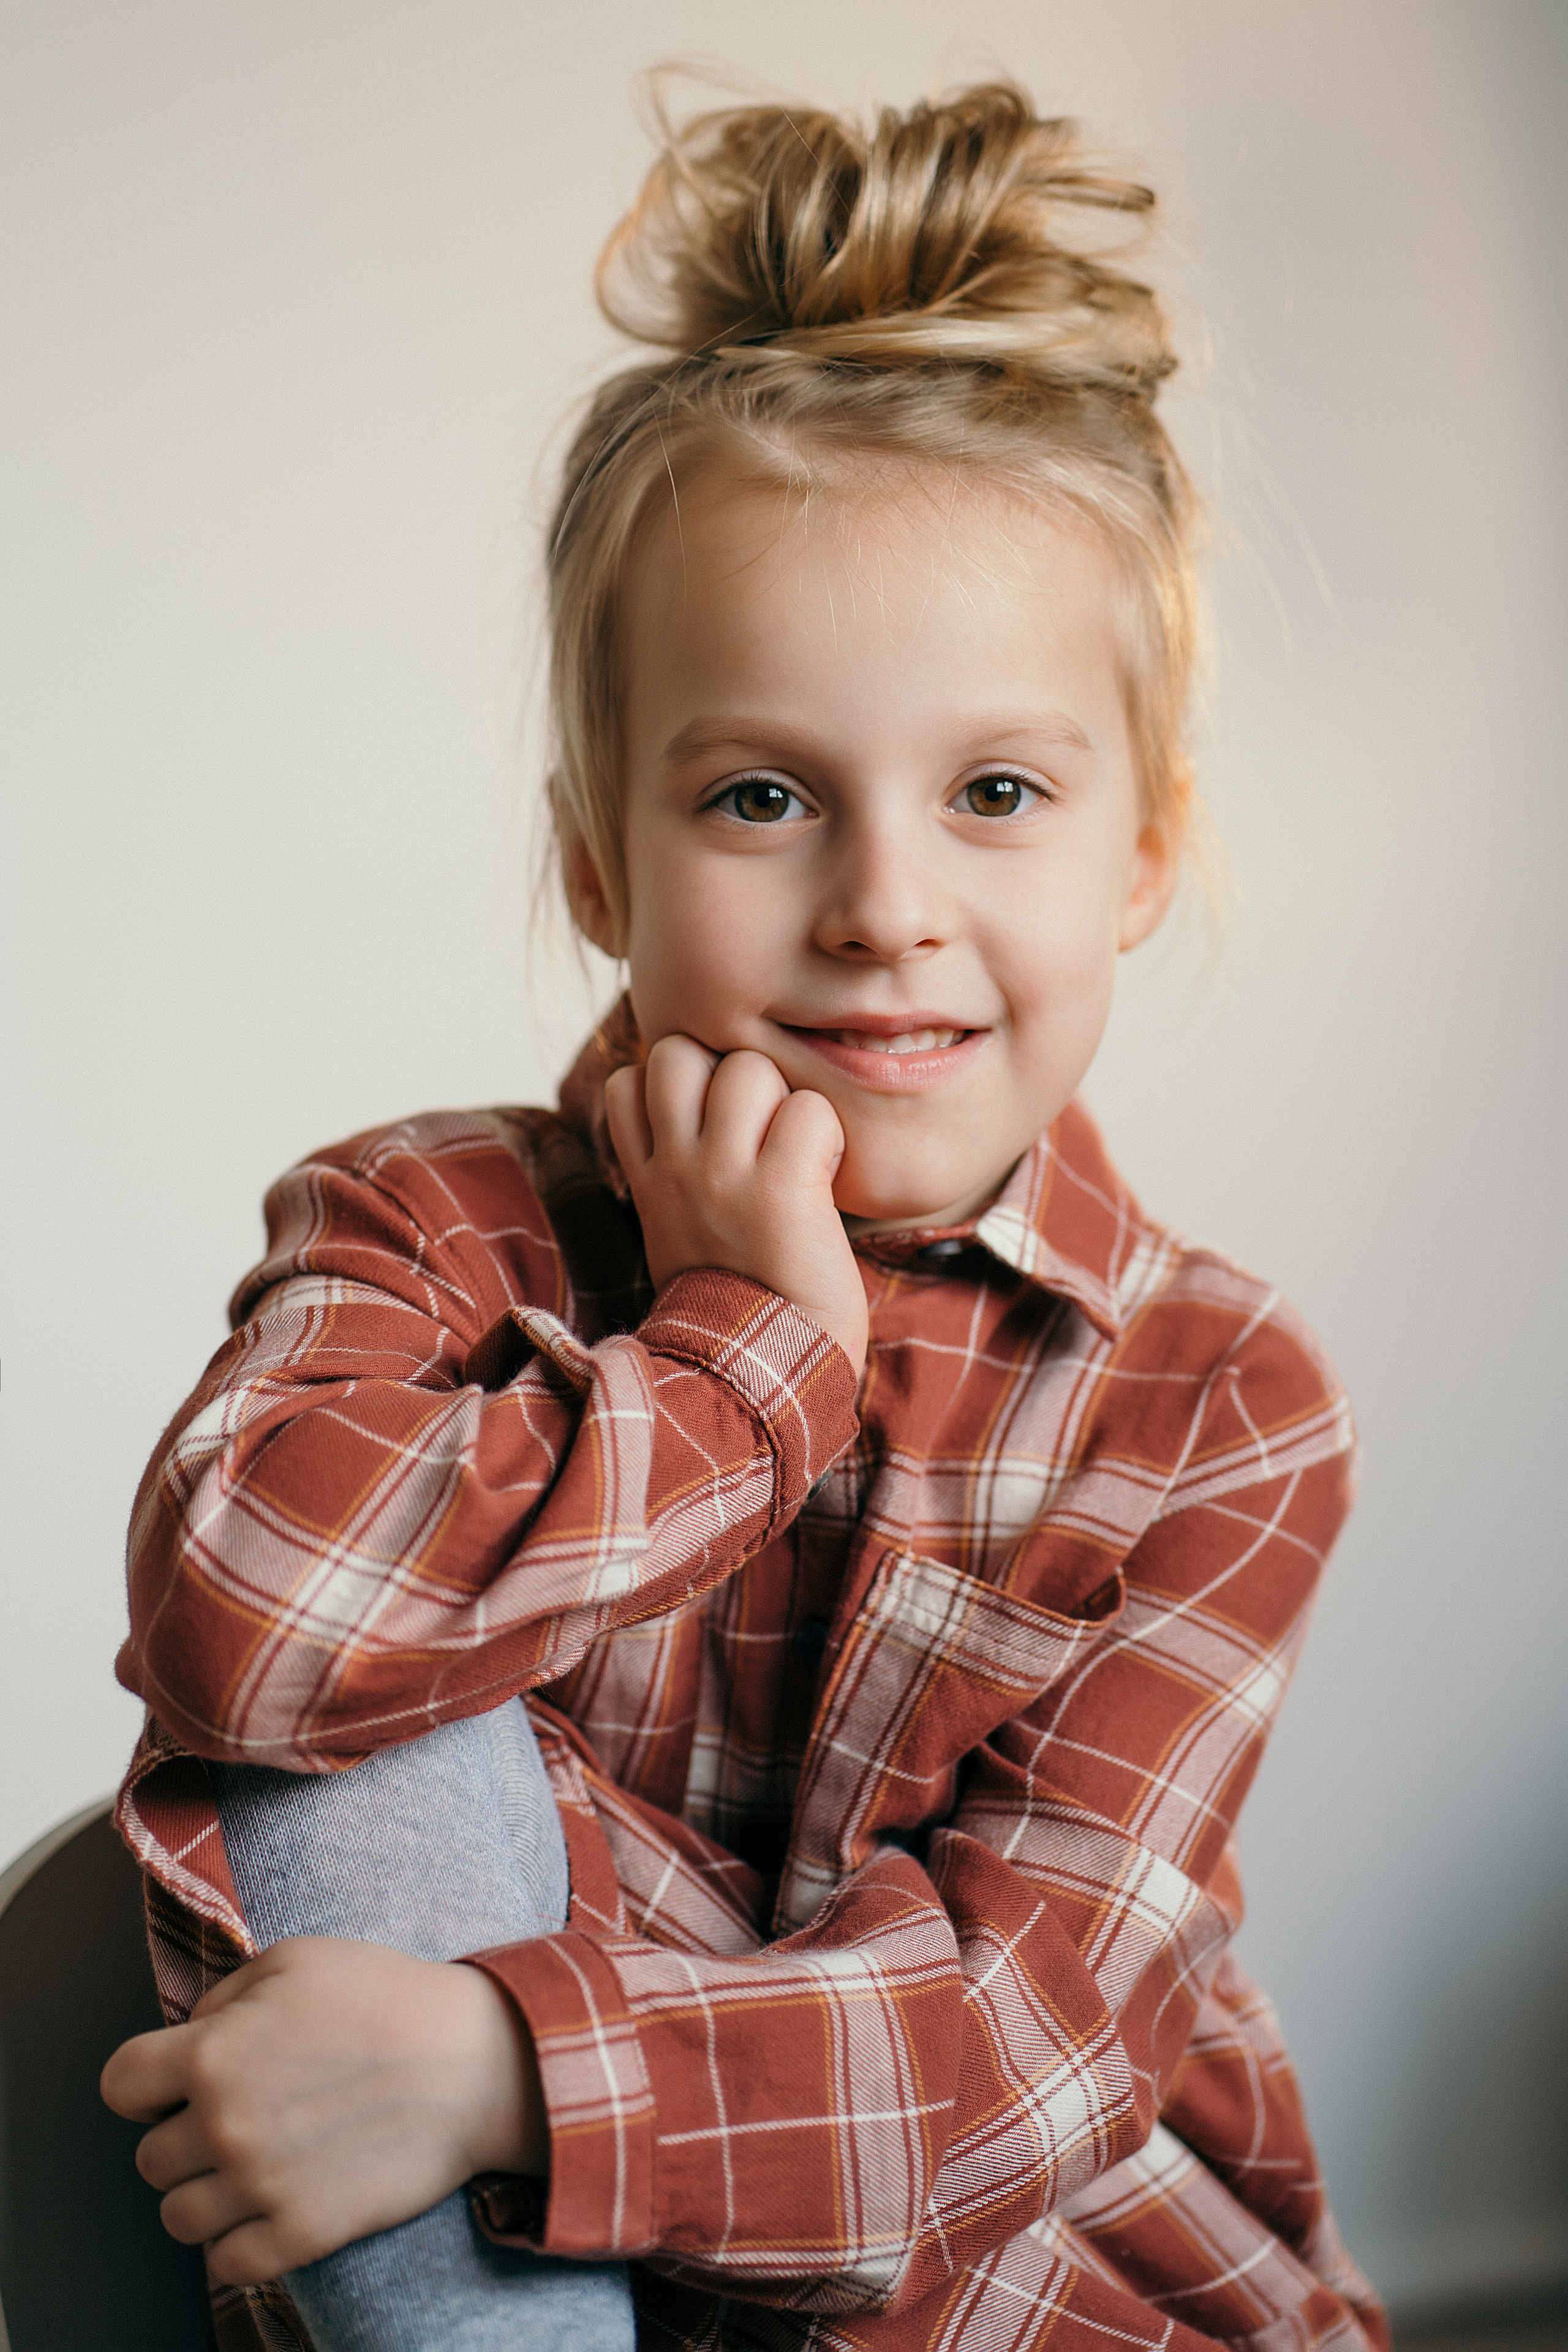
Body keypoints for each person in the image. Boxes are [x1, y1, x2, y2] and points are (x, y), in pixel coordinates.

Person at [100, 78, 1389, 2352]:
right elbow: (251, 1632)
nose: (887, 909)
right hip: (565, 2300)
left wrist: (512, 2075)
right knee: (351, 1706)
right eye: (763, 795)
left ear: (1143, 850)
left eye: (999, 792)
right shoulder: (430, 1230)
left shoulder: (1222, 1403)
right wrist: (734, 1373)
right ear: (602, 853)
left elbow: (1037, 2045)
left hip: (1054, 2300)